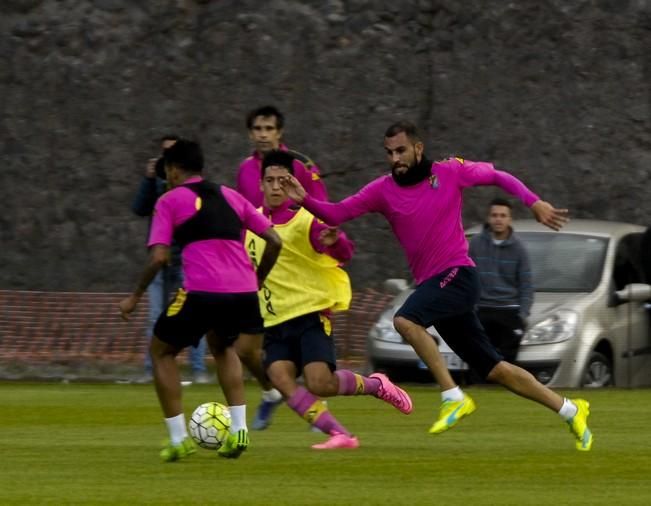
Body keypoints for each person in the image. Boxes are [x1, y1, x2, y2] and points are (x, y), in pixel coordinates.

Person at [282, 121, 593, 451]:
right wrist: (304, 200)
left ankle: (452, 396)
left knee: (405, 320)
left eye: (401, 150)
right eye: (389, 153)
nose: (395, 158)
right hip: (437, 286)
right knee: (496, 369)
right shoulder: (382, 190)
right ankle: (570, 409)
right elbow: (338, 212)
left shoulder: (449, 171)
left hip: (458, 275)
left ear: (418, 148)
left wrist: (534, 201)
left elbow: (498, 176)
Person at [119, 139, 282, 462]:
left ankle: (179, 439)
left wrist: (135, 296)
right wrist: (257, 278)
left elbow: (158, 258)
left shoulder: (169, 199)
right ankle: (238, 433)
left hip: (202, 291)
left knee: (161, 351)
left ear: (173, 170)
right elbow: (274, 240)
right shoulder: (231, 195)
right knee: (222, 346)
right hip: (243, 294)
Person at [247, 150, 412, 450]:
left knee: (320, 383)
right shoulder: (250, 223)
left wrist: (336, 242)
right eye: (268, 181)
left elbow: (345, 253)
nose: (274, 187)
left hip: (310, 313)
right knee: (279, 377)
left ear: (290, 184)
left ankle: (377, 385)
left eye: (281, 181)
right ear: (260, 185)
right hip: (274, 320)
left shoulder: (306, 219)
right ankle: (340, 435)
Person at [236, 105, 329, 430]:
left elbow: (320, 209)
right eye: (257, 128)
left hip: (297, 265)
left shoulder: (301, 165)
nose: (263, 134)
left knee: (304, 352)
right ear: (251, 133)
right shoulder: (245, 169)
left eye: (269, 128)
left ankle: (316, 405)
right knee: (244, 347)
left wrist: (325, 245)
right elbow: (243, 214)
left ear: (279, 133)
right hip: (258, 268)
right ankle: (271, 392)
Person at [131, 134, 209, 384]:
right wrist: (149, 179)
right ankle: (152, 368)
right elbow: (140, 208)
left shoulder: (191, 188)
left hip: (186, 259)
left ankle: (197, 370)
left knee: (194, 316)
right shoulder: (157, 184)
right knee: (156, 315)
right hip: (160, 258)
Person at [468, 197, 533, 366]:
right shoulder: (475, 244)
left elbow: (526, 285)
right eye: (494, 215)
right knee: (479, 361)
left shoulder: (520, 248)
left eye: (503, 215)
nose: (498, 219)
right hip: (481, 310)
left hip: (509, 311)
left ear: (510, 219)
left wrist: (522, 315)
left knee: (507, 364)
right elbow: (466, 277)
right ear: (489, 218)